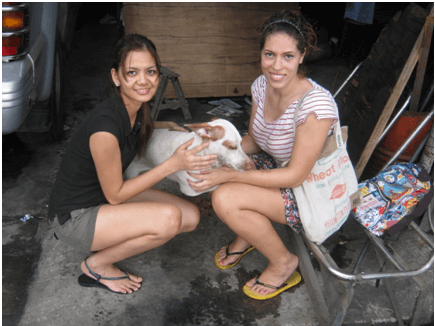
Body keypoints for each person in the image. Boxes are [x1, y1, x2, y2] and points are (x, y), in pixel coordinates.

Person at [48, 34, 217, 295]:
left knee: (190, 217)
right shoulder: (105, 128)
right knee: (169, 219)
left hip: (103, 197)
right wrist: (173, 164)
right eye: (132, 72)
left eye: (150, 71)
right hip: (75, 216)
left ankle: (110, 235)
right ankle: (97, 264)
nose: (143, 80)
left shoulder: (136, 108)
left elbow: (134, 131)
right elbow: (116, 195)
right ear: (116, 77)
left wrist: (165, 125)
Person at [188, 10, 339, 300]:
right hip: (277, 168)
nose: (276, 66)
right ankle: (250, 232)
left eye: (288, 56)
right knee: (210, 168)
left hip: (310, 190)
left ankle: (283, 262)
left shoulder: (315, 107)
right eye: (269, 54)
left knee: (224, 196)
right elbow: (257, 140)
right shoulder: (262, 85)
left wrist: (231, 173)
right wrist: (214, 151)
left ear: (302, 56)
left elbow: (296, 175)